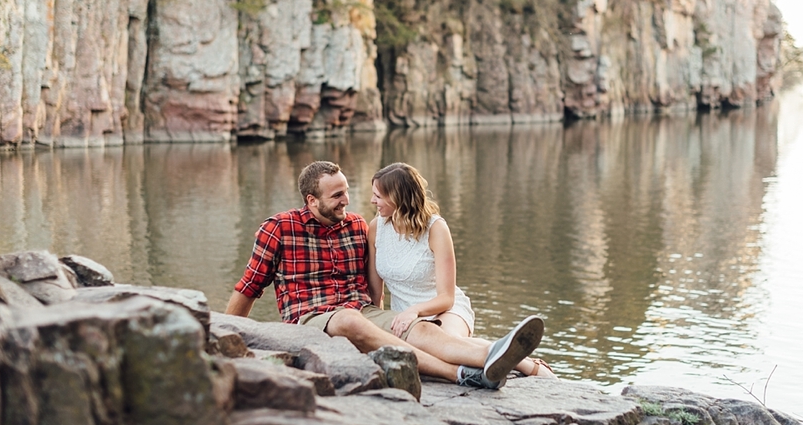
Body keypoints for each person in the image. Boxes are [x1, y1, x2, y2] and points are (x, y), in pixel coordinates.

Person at [225, 160, 544, 390]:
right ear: (312, 200)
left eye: (346, 191)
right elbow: (248, 287)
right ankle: (456, 374)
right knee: (350, 321)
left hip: (361, 311)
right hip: (310, 316)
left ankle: (500, 355)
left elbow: (371, 289)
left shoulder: (356, 227)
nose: (346, 201)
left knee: (422, 330)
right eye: (337, 195)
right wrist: (225, 339)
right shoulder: (279, 228)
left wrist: (399, 320)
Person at [368, 162, 556, 378]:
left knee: (448, 346)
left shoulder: (436, 229)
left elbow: (446, 298)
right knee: (433, 352)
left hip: (446, 309)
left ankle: (525, 364)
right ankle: (498, 359)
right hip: (409, 321)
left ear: (398, 198)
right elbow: (376, 293)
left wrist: (415, 310)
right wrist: (377, 327)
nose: (373, 201)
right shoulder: (376, 228)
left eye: (378, 196)